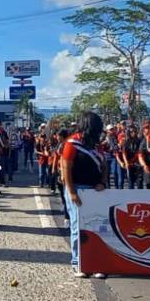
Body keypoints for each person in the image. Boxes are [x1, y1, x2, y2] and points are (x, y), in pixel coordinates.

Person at [61, 111, 108, 279]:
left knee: (96, 227)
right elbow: (66, 168)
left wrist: (103, 182)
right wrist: (72, 192)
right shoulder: (72, 143)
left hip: (95, 190)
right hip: (77, 188)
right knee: (77, 227)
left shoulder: (96, 145)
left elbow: (104, 166)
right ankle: (78, 263)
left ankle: (95, 263)